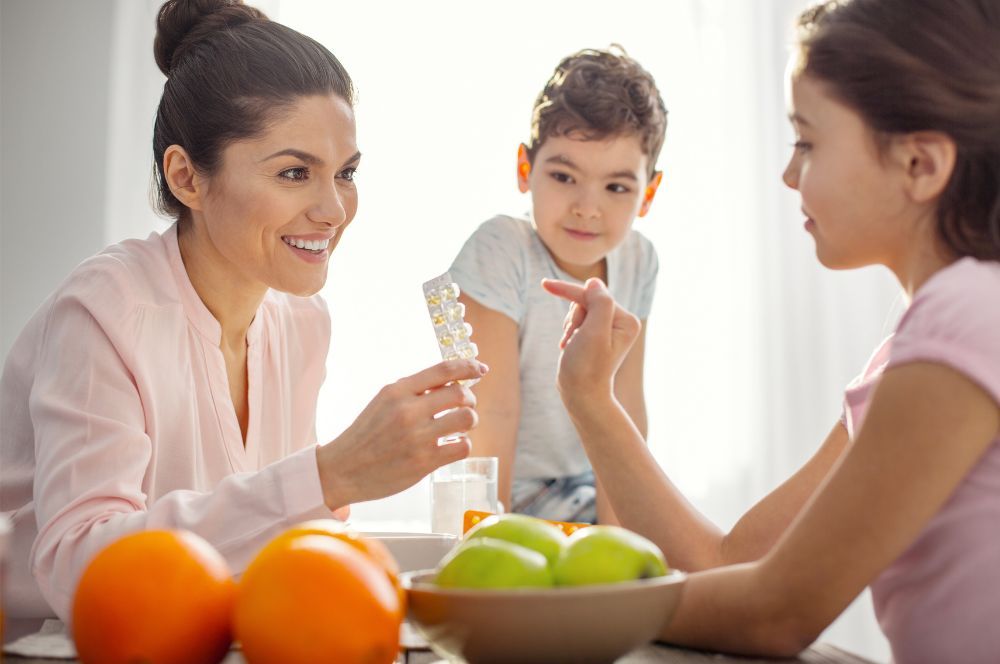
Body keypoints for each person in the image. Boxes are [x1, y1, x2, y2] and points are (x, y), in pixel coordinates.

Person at [0, 0, 484, 640]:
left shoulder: (301, 320)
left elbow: (275, 539)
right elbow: (79, 567)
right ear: (186, 178)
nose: (334, 209)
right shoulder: (106, 312)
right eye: (294, 173)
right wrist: (329, 473)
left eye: (346, 173)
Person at [544, 0, 1000, 661]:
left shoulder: (964, 319)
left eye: (808, 143)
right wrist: (591, 397)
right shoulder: (917, 349)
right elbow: (725, 562)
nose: (789, 175)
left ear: (920, 165)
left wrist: (550, 609)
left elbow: (775, 612)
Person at [449, 47, 666, 524]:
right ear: (525, 170)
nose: (587, 207)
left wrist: (620, 537)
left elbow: (626, 404)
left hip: (588, 482)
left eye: (616, 187)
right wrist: (491, 534)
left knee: (673, 553)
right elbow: (493, 412)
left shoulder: (638, 258)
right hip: (508, 489)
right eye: (565, 176)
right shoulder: (502, 248)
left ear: (648, 194)